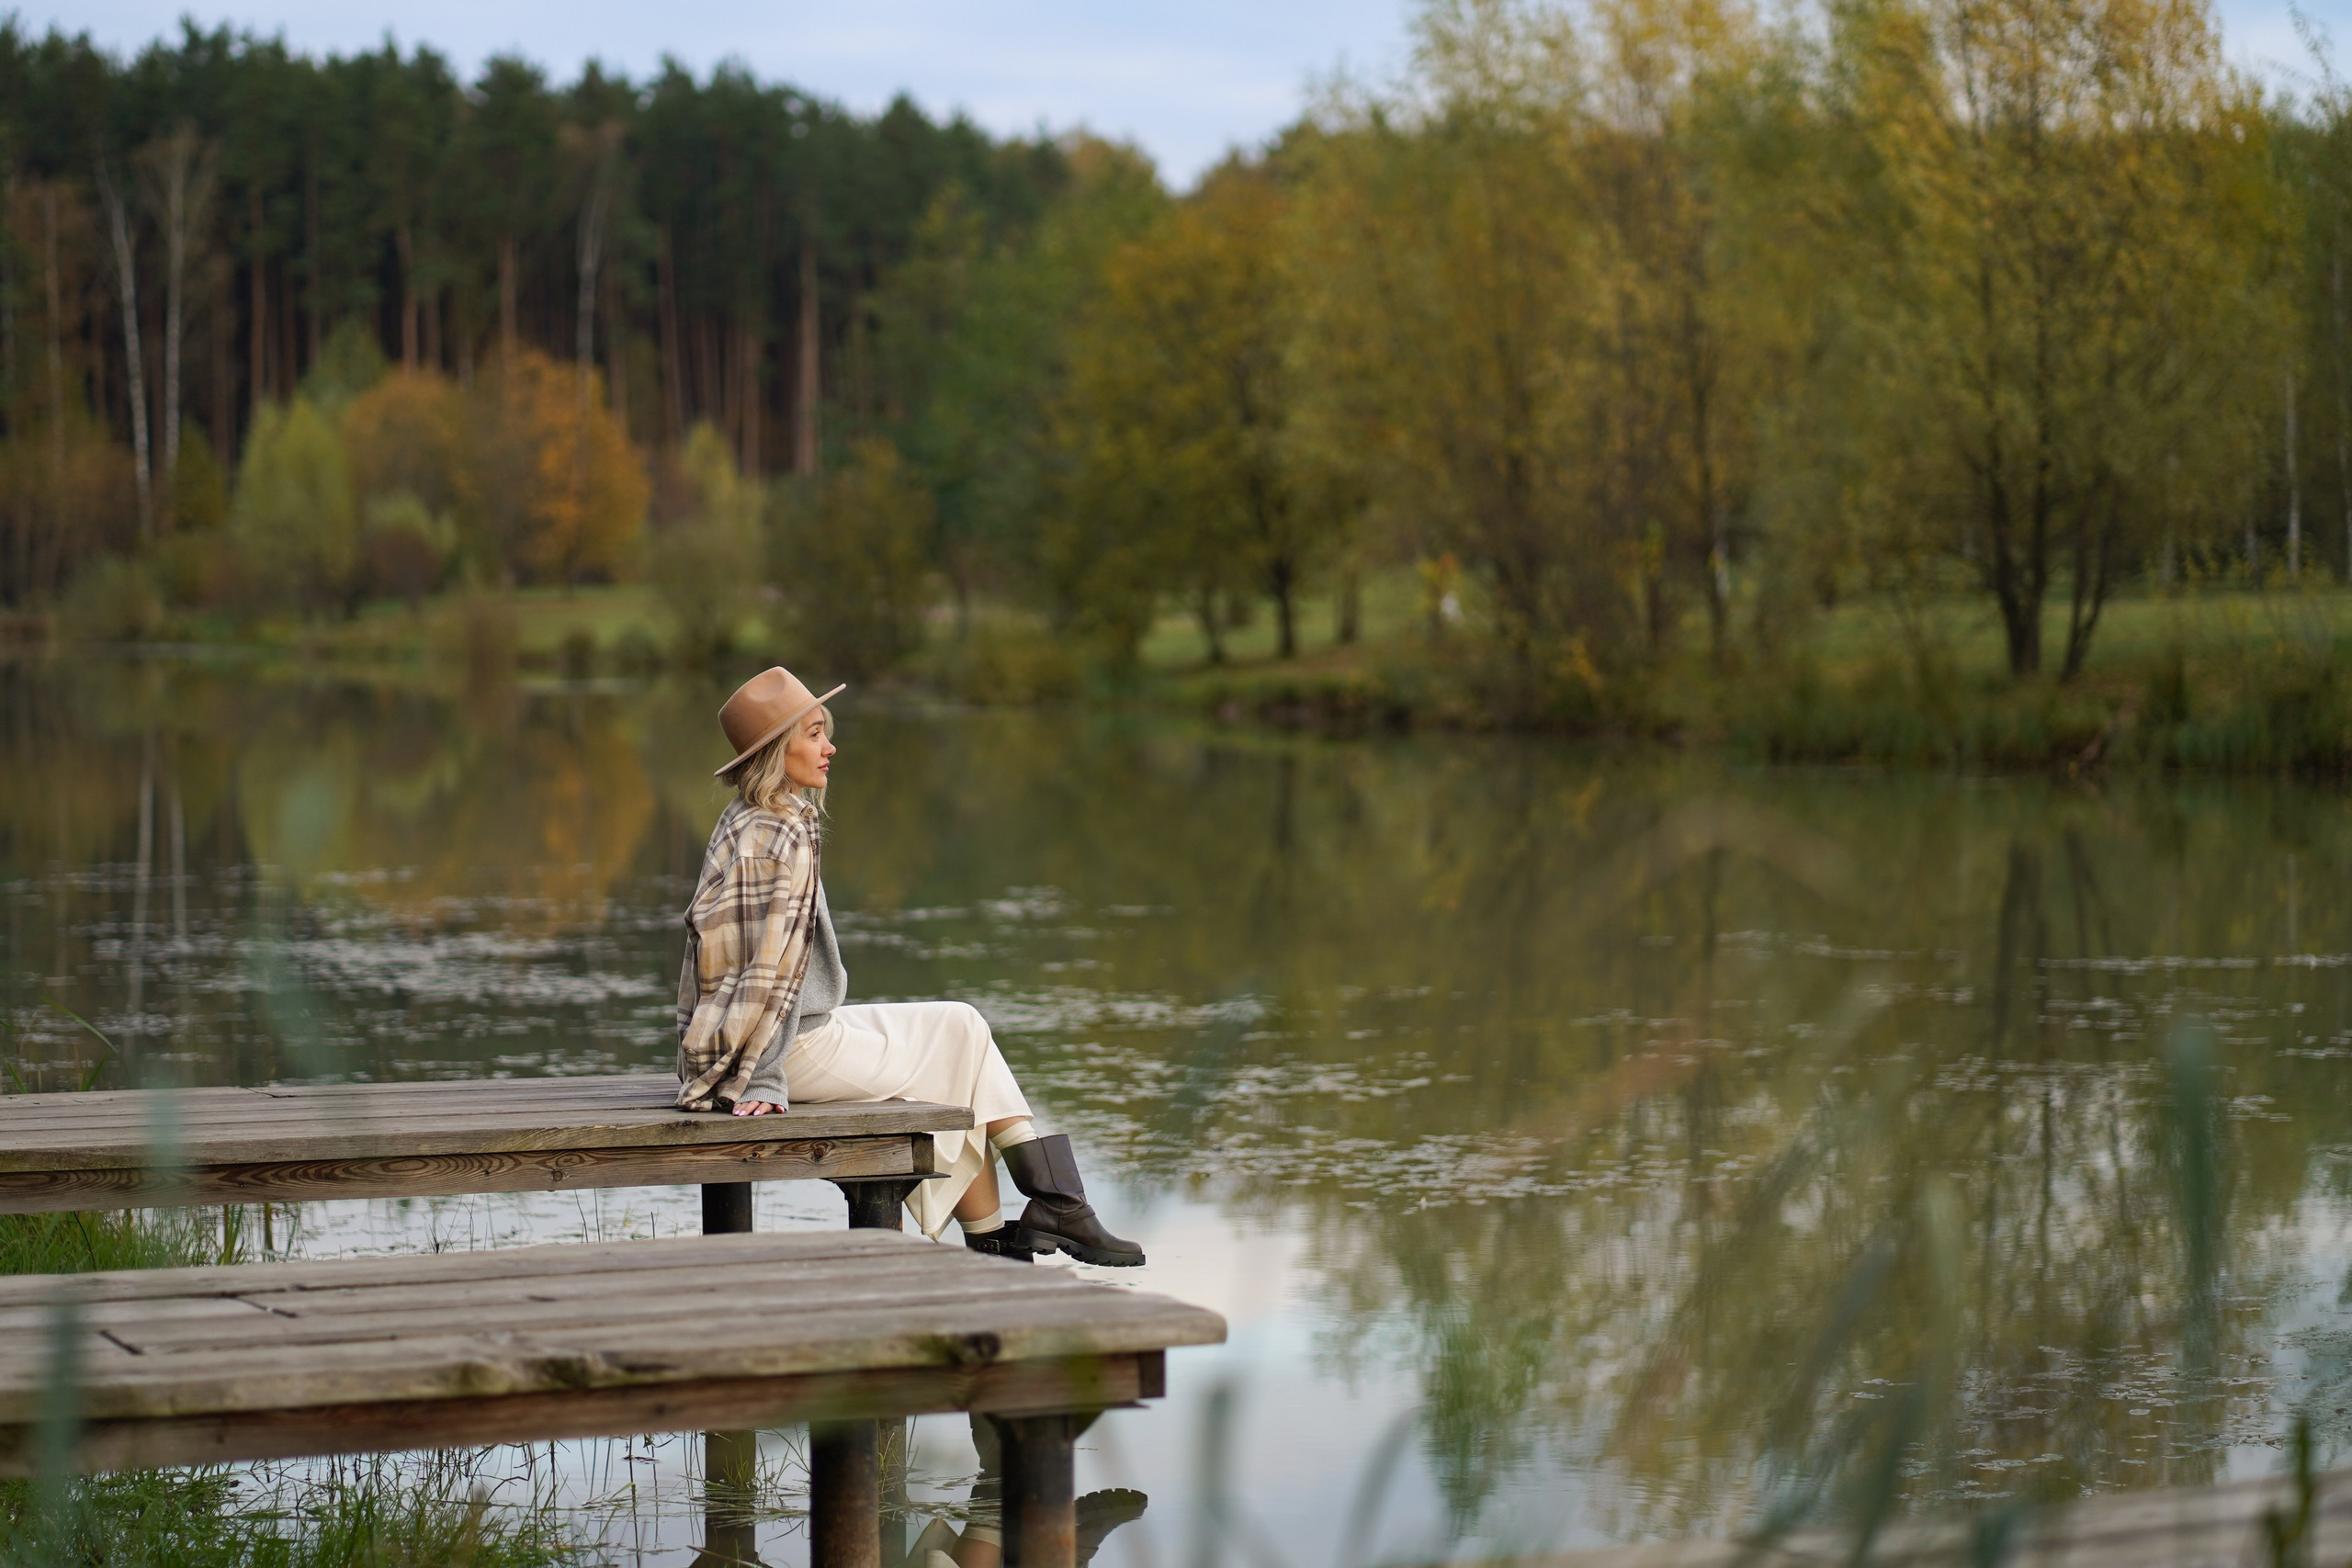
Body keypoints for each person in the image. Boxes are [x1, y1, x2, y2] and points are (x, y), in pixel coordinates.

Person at [673, 665, 1143, 1265]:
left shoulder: (741, 819)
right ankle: (1037, 1216)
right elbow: (768, 969)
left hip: (750, 1043)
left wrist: (702, 1063)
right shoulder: (788, 831)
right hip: (784, 1049)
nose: (829, 746)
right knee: (963, 1041)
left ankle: (1017, 1226)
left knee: (961, 1034)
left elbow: (710, 959)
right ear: (776, 750)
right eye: (814, 733)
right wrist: (759, 1078)